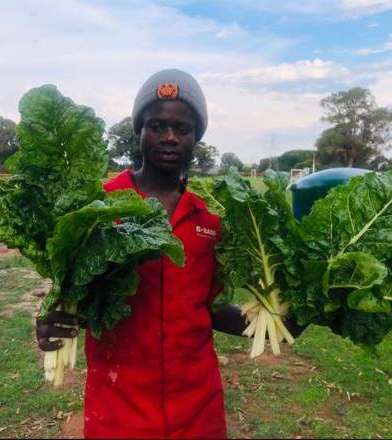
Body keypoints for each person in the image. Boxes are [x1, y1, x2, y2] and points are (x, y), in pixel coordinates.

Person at [36, 69, 264, 438]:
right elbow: (72, 291)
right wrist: (52, 320)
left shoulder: (208, 217)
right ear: (138, 131)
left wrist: (282, 322)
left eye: (183, 129)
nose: (170, 137)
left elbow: (208, 308)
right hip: (119, 409)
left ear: (196, 139)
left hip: (198, 410)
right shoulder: (98, 206)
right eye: (157, 126)